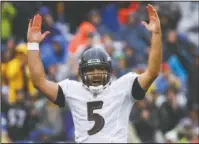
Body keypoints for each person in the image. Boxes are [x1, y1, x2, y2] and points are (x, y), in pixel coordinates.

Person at [27, 4, 162, 143]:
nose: (96, 73)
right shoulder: (73, 90)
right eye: (91, 69)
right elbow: (39, 82)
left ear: (109, 70)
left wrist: (156, 34)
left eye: (100, 68)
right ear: (82, 72)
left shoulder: (123, 87)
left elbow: (153, 72)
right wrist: (32, 45)